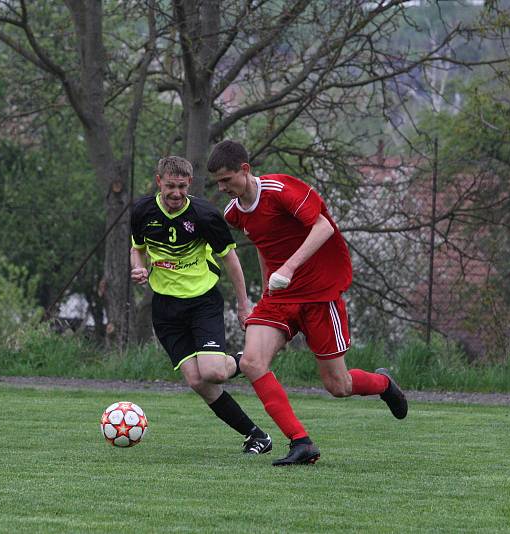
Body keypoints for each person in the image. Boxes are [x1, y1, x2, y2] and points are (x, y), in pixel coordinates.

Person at [207, 140, 408, 467]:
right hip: (280, 299)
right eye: (217, 182)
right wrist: (265, 292)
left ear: (245, 170)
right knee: (252, 363)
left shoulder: (280, 189)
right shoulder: (234, 214)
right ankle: (301, 442)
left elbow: (323, 227)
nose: (222, 187)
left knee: (338, 386)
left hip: (318, 293)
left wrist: (288, 267)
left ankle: (384, 384)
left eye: (227, 179)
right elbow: (264, 244)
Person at [130, 155, 272, 455]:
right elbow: (137, 249)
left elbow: (231, 260)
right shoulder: (142, 211)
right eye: (170, 186)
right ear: (159, 182)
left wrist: (244, 306)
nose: (176, 193)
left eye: (182, 186)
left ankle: (246, 359)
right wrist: (138, 268)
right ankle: (256, 435)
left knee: (214, 373)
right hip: (166, 309)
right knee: (196, 380)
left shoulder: (205, 214)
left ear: (189, 184)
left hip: (202, 302)